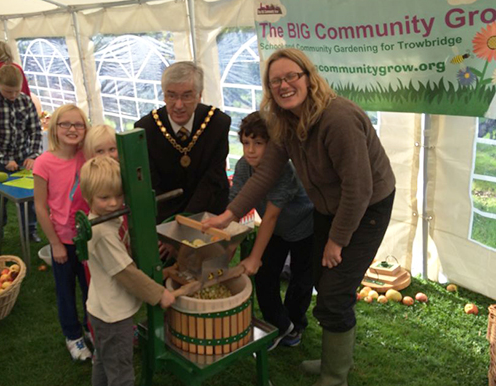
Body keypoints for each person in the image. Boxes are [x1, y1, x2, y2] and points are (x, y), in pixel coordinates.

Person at [204, 48, 396, 386]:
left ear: (308, 77)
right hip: (327, 205)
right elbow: (263, 176)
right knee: (322, 281)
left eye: (291, 76)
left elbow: (359, 188)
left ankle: (334, 377)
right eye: (275, 80)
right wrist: (228, 216)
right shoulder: (284, 122)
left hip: (367, 206)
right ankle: (330, 360)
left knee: (334, 293)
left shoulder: (338, 119)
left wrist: (337, 240)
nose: (284, 85)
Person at [80, 156, 175, 386]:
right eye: (104, 198)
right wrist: (159, 294)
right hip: (113, 318)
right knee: (121, 373)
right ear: (88, 197)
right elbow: (126, 273)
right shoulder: (102, 233)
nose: (113, 203)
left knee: (103, 361)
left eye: (118, 196)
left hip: (100, 310)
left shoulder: (105, 220)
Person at [231, 111, 314, 350]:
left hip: (304, 228)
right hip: (277, 230)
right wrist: (226, 247)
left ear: (274, 145)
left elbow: (270, 216)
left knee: (301, 280)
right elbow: (235, 205)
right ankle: (279, 324)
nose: (251, 150)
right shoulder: (243, 167)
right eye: (246, 143)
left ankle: (296, 324)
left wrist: (255, 256)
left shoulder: (284, 171)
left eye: (258, 143)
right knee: (265, 277)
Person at [134, 61, 230, 223]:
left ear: (199, 95)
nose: (178, 105)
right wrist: (171, 228)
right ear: (164, 95)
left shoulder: (217, 123)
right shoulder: (146, 129)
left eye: (187, 96)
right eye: (171, 95)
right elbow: (152, 186)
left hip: (209, 216)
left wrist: (187, 222)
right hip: (165, 219)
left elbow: (213, 178)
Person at [33, 104, 92, 361]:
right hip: (63, 242)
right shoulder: (44, 163)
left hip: (88, 239)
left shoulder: (88, 156)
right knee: (66, 291)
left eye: (78, 124)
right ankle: (73, 335)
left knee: (92, 287)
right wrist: (54, 242)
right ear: (54, 128)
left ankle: (93, 328)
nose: (72, 129)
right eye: (65, 124)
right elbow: (40, 205)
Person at [0, 64, 42, 252]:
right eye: (8, 91)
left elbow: (35, 131)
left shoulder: (25, 101)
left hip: (22, 157)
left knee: (28, 197)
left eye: (16, 91)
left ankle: (30, 230)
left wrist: (33, 155)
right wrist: (4, 159)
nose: (13, 95)